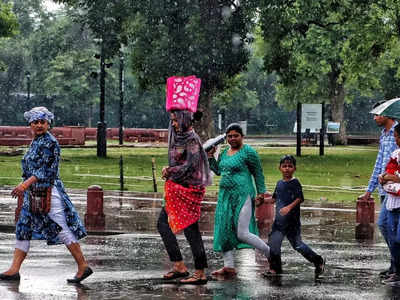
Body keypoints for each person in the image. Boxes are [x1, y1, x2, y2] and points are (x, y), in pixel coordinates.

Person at [0, 107, 92, 283]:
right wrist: (26, 186)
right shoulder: (36, 141)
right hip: (33, 193)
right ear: (30, 124)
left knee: (60, 226)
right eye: (35, 122)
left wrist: (25, 184)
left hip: (48, 191)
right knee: (23, 227)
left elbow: (46, 170)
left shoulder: (50, 142)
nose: (39, 125)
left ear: (48, 124)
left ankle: (83, 266)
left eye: (43, 122)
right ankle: (14, 269)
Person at [207, 123, 270, 277]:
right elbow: (219, 171)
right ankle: (228, 266)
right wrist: (210, 157)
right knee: (224, 230)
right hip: (225, 197)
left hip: (243, 195)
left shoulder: (248, 152)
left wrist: (261, 193)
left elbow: (258, 173)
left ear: (242, 136)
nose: (232, 139)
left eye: (236, 135)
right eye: (229, 136)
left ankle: (270, 253)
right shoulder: (224, 152)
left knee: (242, 232)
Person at [157, 110, 210, 285]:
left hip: (188, 190)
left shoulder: (192, 139)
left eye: (175, 121)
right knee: (163, 224)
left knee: (191, 229)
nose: (173, 124)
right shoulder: (178, 137)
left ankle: (200, 272)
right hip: (175, 190)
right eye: (172, 121)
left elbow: (189, 166)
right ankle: (179, 265)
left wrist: (169, 171)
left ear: (184, 120)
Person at [266, 155, 325, 278]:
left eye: (290, 166)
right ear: (279, 168)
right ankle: (275, 269)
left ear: (294, 168)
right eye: (284, 166)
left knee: (297, 245)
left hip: (292, 221)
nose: (287, 169)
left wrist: (288, 207)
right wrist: (262, 201)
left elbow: (300, 198)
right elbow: (273, 199)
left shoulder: (295, 182)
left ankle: (317, 260)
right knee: (274, 242)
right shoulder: (279, 183)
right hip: (279, 221)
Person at [359, 101, 398, 278]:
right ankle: (395, 265)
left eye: (378, 114)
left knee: (392, 230)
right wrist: (369, 189)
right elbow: (379, 163)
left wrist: (391, 176)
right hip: (385, 190)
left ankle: (397, 267)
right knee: (385, 226)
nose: (375, 118)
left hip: (396, 191)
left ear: (388, 114)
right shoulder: (384, 134)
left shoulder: (398, 133)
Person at [379, 123, 400, 284]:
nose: (397, 140)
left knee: (399, 237)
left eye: (398, 137)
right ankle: (396, 269)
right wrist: (384, 177)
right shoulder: (396, 154)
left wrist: (394, 178)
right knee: (392, 235)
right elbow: (388, 172)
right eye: (396, 137)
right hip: (393, 201)